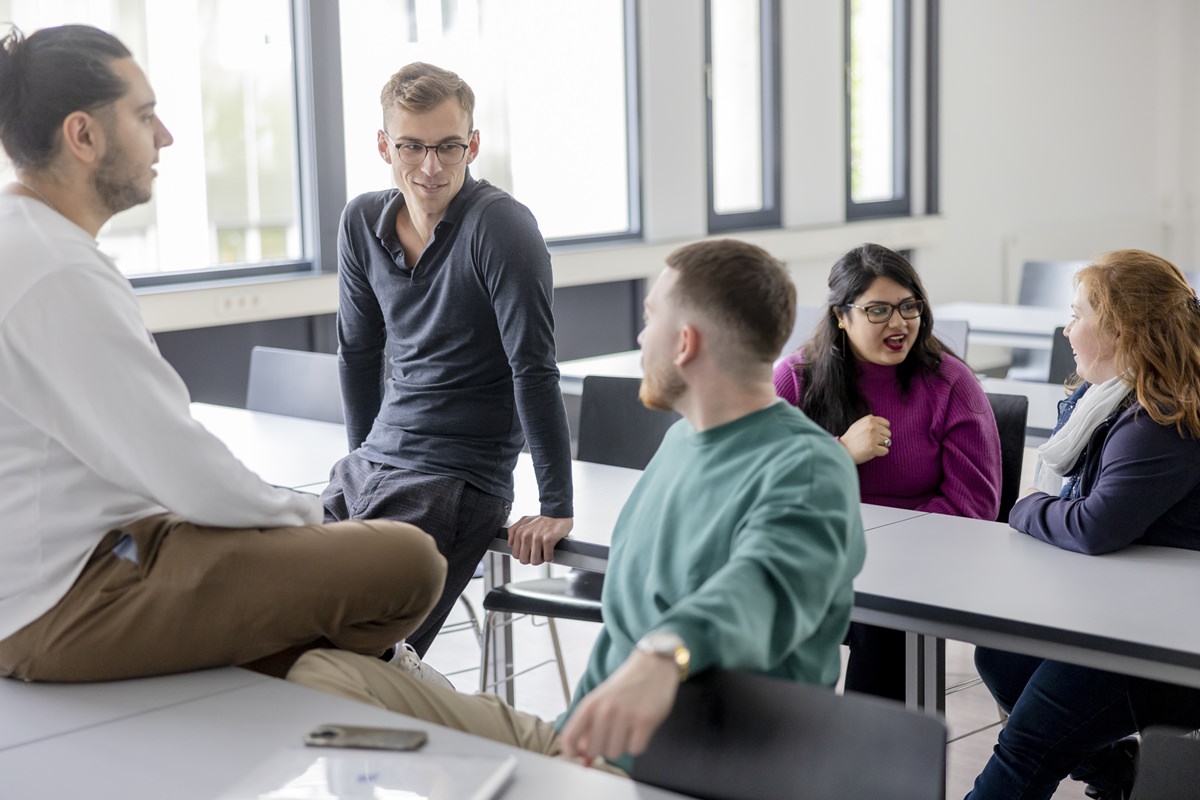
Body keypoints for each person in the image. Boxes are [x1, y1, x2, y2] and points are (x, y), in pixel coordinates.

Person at [287, 238, 867, 773]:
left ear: (685, 341)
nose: (642, 340)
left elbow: (763, 587)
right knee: (325, 671)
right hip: (576, 748)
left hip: (684, 773)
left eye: (650, 321)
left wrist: (666, 652)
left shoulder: (809, 468)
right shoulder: (681, 442)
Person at [0, 24, 446, 683]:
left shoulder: (28, 244)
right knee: (409, 562)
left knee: (300, 563)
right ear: (83, 136)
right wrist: (306, 524)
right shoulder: (56, 269)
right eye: (145, 115)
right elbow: (178, 463)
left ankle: (321, 670)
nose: (165, 136)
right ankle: (361, 675)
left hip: (99, 554)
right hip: (65, 601)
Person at [323, 61, 574, 658]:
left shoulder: (501, 228)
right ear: (385, 145)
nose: (431, 167)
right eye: (412, 146)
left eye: (449, 147)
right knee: (281, 623)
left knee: (359, 656)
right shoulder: (361, 221)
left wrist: (557, 505)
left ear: (473, 145)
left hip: (454, 480)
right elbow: (358, 352)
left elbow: (533, 368)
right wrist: (363, 455)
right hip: (371, 470)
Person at [966, 250, 1200, 800]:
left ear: (1119, 328)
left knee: (1024, 747)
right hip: (1124, 610)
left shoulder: (1159, 418)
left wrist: (1022, 510)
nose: (1065, 330)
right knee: (1000, 655)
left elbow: (1094, 526)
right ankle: (1116, 775)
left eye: (1076, 315)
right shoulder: (1111, 400)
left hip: (1160, 638)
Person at [774, 243, 1002, 702]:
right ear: (842, 316)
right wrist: (840, 453)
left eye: (908, 306)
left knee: (882, 619)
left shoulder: (951, 383)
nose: (899, 324)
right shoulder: (796, 378)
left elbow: (973, 506)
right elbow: (760, 483)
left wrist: (880, 549)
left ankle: (875, 763)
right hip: (818, 555)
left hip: (917, 565)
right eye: (878, 310)